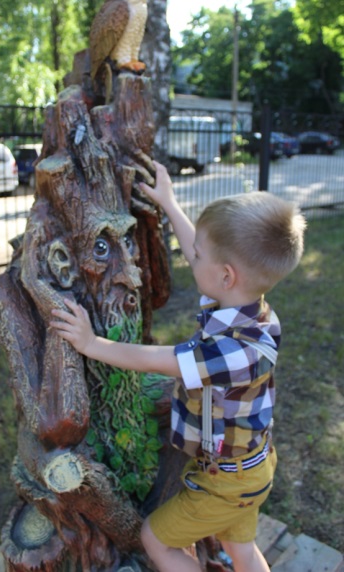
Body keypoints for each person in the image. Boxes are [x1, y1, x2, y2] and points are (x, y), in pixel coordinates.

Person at [50, 161, 306, 572]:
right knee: (240, 548)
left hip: (227, 480)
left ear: (225, 276)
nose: (190, 256)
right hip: (250, 468)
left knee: (155, 538)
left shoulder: (234, 351)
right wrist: (169, 203)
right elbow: (205, 255)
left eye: (199, 255)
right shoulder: (247, 309)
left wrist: (91, 343)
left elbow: (160, 359)